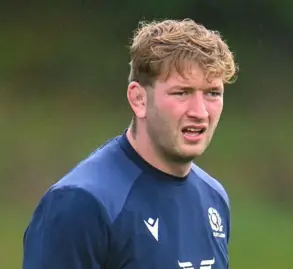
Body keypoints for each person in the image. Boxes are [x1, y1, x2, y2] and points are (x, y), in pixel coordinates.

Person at [22, 18, 238, 269]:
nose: (200, 112)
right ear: (139, 99)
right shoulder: (82, 203)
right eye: (182, 92)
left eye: (212, 93)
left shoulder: (213, 197)